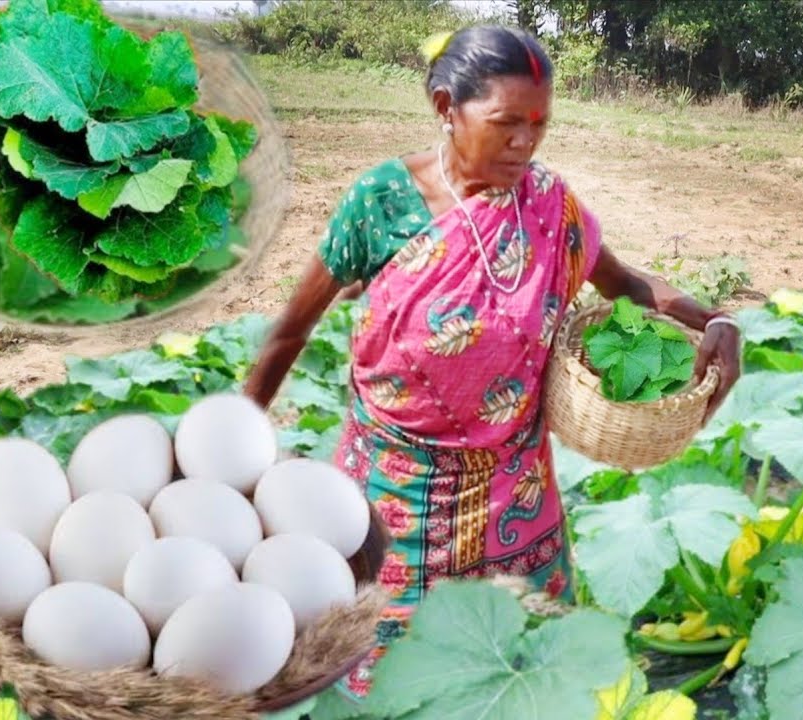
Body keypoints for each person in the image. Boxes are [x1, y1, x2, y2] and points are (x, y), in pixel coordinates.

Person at [242, 24, 742, 704]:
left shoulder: (549, 204)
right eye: (507, 122)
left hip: (517, 496)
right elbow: (289, 333)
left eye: (539, 124)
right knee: (386, 683)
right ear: (447, 107)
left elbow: (624, 282)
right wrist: (235, 450)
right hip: (395, 498)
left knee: (521, 675)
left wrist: (717, 319)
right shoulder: (384, 202)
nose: (525, 143)